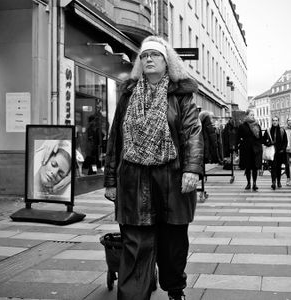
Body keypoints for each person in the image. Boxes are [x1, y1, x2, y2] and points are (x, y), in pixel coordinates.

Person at [103, 36, 203, 300]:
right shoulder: (128, 95)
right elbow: (116, 139)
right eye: (144, 56)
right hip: (134, 180)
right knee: (136, 242)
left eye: (154, 55)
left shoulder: (181, 95)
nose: (148, 59)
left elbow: (192, 132)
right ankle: (134, 294)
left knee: (172, 242)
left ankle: (174, 288)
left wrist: (192, 170)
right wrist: (111, 180)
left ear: (166, 61)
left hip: (171, 179)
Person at [237, 109, 263, 191]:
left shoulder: (257, 125)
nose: (253, 116)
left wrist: (259, 146)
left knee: (255, 167)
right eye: (251, 115)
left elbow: (260, 138)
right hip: (246, 150)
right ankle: (248, 183)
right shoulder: (242, 126)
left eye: (253, 115)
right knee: (247, 167)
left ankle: (254, 183)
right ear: (247, 115)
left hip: (255, 150)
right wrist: (240, 145)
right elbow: (238, 137)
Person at [263, 116, 288, 190]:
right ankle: (273, 182)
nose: (275, 122)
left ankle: (279, 181)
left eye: (276, 120)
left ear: (278, 121)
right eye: (273, 120)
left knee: (278, 168)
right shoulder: (268, 130)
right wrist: (268, 143)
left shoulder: (282, 130)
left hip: (280, 152)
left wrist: (283, 149)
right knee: (273, 168)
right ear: (272, 121)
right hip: (271, 153)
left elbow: (285, 141)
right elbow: (263, 140)